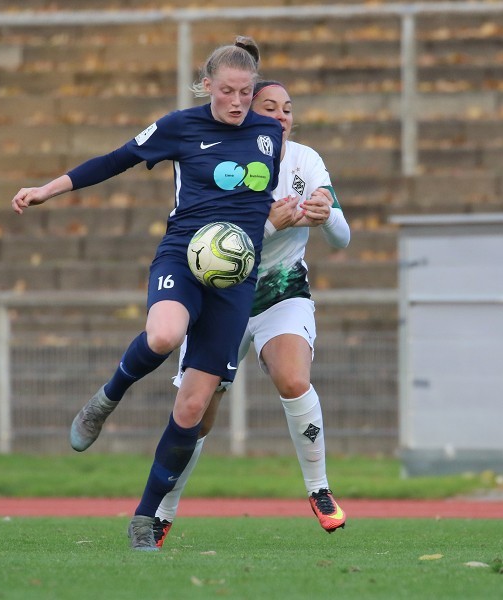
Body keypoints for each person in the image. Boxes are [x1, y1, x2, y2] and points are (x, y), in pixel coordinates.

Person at [11, 36, 283, 551]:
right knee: (164, 334)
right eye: (226, 90)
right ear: (207, 86)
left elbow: (269, 194)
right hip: (183, 257)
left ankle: (145, 518)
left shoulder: (270, 132)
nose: (236, 101)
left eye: (246, 92)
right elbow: (117, 158)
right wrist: (48, 188)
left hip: (235, 281)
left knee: (191, 409)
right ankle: (106, 398)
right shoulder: (181, 125)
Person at [152, 80, 351, 547]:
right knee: (195, 410)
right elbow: (211, 243)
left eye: (287, 109)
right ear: (249, 114)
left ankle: (319, 490)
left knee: (293, 379)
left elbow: (342, 239)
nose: (281, 116)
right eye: (269, 107)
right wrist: (267, 223)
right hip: (221, 297)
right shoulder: (226, 161)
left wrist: (328, 216)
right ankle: (160, 514)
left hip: (282, 291)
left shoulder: (307, 160)